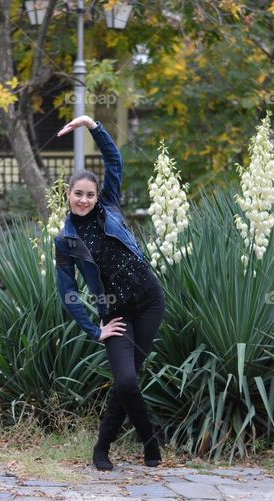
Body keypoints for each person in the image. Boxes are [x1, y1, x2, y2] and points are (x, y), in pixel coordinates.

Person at [53, 115, 166, 471]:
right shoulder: (65, 240)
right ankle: (148, 440)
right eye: (78, 194)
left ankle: (102, 450)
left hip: (149, 301)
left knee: (127, 382)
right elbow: (68, 291)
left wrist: (92, 124)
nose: (84, 200)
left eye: (89, 194)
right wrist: (94, 329)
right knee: (127, 381)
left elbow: (114, 160)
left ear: (97, 195)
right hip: (115, 313)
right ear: (68, 195)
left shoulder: (110, 205)